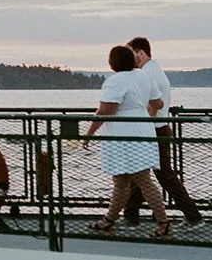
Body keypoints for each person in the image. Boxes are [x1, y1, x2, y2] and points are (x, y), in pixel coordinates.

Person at [83, 44, 170, 238]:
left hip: (124, 136)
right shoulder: (143, 76)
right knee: (122, 181)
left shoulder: (115, 81)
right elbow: (158, 103)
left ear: (112, 62)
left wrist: (89, 133)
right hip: (143, 131)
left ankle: (164, 224)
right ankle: (109, 220)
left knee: (142, 180)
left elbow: (107, 111)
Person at [124, 35, 204, 226]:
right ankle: (131, 215)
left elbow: (153, 107)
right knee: (142, 174)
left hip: (154, 131)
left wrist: (139, 129)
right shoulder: (155, 71)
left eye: (132, 54)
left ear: (140, 53)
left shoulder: (148, 75)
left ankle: (193, 216)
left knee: (161, 176)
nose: (131, 59)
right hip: (160, 128)